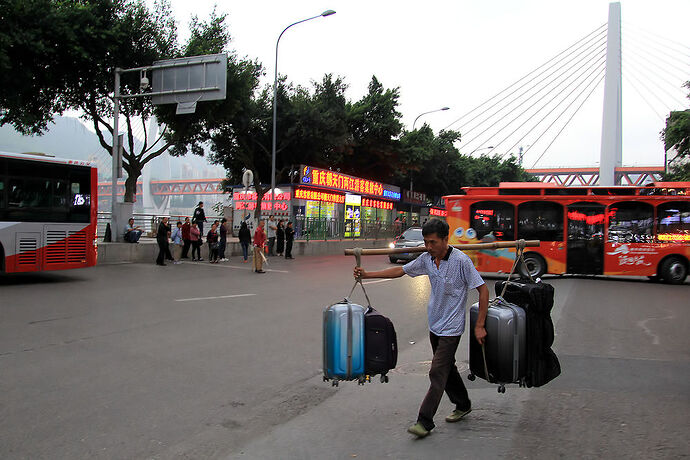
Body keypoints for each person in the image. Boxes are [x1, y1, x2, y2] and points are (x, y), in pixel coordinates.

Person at [353, 218, 489, 439]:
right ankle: (463, 403)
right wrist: (368, 275)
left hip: (452, 329)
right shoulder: (427, 259)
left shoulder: (462, 261)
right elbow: (400, 271)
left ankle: (424, 421)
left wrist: (480, 324)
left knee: (437, 371)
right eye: (426, 242)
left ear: (446, 239)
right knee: (447, 368)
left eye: (433, 242)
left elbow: (483, 291)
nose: (428, 247)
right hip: (434, 325)